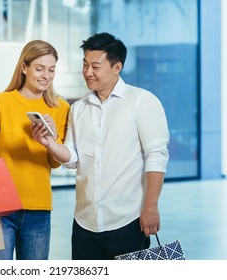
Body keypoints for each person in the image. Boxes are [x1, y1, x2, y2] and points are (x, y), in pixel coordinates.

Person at [31, 32, 169, 260]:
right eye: (85, 65)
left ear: (117, 67)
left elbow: (156, 155)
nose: (87, 72)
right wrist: (48, 143)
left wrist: (151, 207)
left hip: (128, 221)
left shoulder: (142, 101)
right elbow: (73, 159)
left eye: (95, 66)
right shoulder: (79, 109)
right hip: (85, 222)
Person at [0, 40, 70, 260]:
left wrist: (49, 140)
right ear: (24, 67)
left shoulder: (61, 108)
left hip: (39, 210)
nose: (46, 76)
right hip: (0, 207)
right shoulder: (0, 102)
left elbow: (55, 162)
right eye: (39, 68)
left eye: (51, 70)